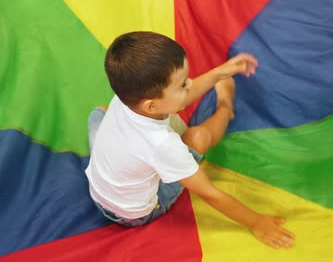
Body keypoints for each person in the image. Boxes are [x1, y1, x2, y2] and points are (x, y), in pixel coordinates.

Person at [85, 31, 295, 249]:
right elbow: (209, 193)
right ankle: (226, 108)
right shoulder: (162, 143)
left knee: (99, 113)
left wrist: (218, 73)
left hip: (101, 190)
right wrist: (257, 222)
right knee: (197, 136)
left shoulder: (127, 96)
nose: (191, 82)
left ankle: (139, 158)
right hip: (134, 213)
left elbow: (180, 99)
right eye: (182, 84)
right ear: (151, 105)